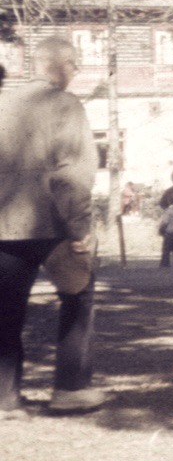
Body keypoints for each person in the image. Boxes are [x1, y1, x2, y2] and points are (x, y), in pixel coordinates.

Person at [0, 37, 106, 417]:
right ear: (59, 64)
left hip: (4, 227)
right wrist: (80, 227)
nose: (75, 73)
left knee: (5, 311)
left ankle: (3, 398)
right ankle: (71, 389)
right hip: (54, 224)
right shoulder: (65, 104)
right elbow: (72, 172)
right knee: (79, 295)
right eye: (74, 65)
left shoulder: (3, 102)